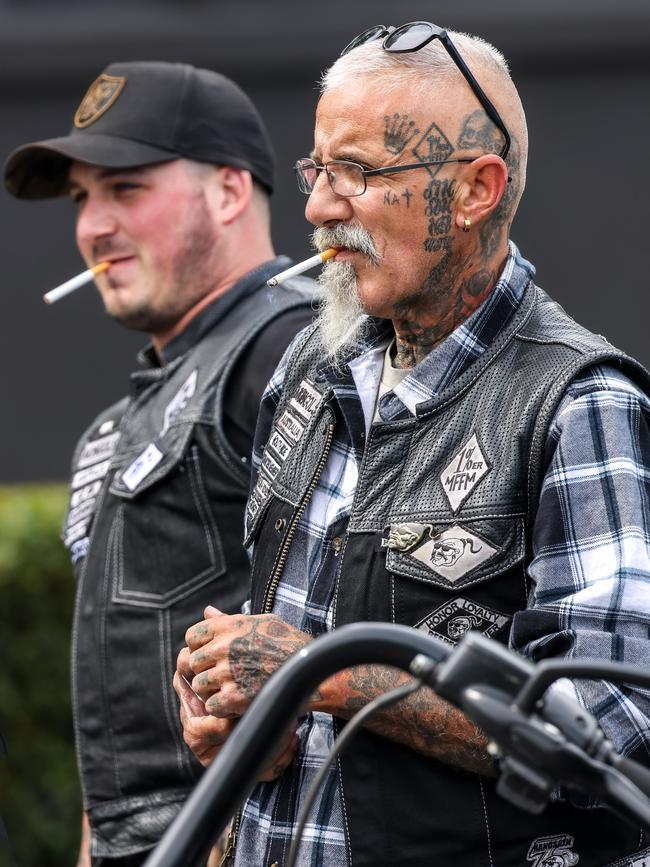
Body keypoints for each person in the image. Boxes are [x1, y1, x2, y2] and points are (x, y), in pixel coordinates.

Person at [175, 24, 650, 867]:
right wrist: (241, 721)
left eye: (357, 172)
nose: (319, 206)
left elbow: (614, 726)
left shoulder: (579, 400)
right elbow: (285, 683)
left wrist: (321, 675)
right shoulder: (310, 371)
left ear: (475, 189)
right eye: (317, 171)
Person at [3, 61, 317, 867]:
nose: (92, 225)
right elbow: (119, 729)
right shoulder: (119, 421)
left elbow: (338, 633)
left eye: (125, 188)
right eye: (81, 197)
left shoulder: (292, 348)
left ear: (228, 192)